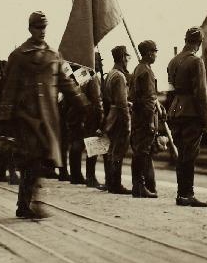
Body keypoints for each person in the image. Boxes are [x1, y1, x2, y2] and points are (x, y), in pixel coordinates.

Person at [0, 11, 89, 219]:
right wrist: (5, 118)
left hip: (48, 118)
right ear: (30, 28)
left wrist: (82, 102)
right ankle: (28, 204)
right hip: (26, 117)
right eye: (38, 27)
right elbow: (9, 88)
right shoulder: (18, 55)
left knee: (40, 160)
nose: (42, 32)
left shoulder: (53, 55)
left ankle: (27, 203)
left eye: (44, 27)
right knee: (32, 159)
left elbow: (66, 83)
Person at [166, 27, 207, 207]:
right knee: (189, 155)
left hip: (176, 110)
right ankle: (188, 194)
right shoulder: (196, 62)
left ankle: (181, 194)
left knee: (181, 154)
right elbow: (201, 92)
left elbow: (170, 91)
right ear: (199, 43)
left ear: (186, 40)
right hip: (191, 112)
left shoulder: (172, 61)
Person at [129, 40, 163, 198]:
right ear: (149, 53)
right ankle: (139, 187)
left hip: (138, 116)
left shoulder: (138, 69)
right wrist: (150, 121)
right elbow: (149, 99)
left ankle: (146, 186)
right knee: (142, 152)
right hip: (145, 118)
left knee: (142, 152)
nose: (156, 54)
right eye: (155, 51)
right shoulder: (147, 71)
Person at [66, 62, 105, 187]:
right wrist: (101, 117)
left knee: (76, 145)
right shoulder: (92, 77)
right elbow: (97, 99)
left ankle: (75, 175)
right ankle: (91, 177)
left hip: (75, 114)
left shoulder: (78, 75)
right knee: (92, 146)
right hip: (90, 116)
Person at [101, 45, 132, 194]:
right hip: (119, 117)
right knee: (118, 151)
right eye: (127, 56)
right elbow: (121, 103)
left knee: (112, 150)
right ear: (122, 58)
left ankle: (110, 182)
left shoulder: (110, 74)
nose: (128, 60)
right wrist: (127, 123)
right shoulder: (119, 76)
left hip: (111, 115)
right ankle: (116, 184)